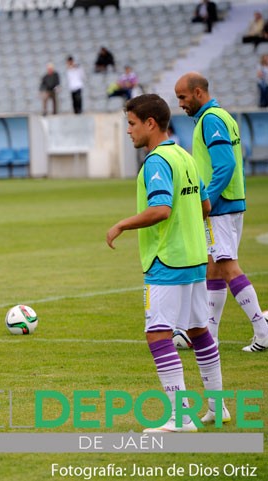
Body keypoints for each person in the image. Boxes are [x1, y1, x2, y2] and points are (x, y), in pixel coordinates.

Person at [106, 93, 227, 432]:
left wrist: (121, 225)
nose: (128, 131)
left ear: (150, 123)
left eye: (131, 124)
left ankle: (179, 417)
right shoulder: (184, 156)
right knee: (199, 331)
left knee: (157, 335)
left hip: (167, 260)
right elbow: (205, 205)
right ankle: (217, 408)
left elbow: (161, 209)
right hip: (193, 258)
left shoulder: (157, 161)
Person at [174, 72, 268, 352]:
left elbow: (225, 165)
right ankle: (210, 337)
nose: (179, 103)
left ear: (198, 92)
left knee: (226, 266)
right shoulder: (223, 116)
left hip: (220, 206)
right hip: (232, 202)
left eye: (182, 96)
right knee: (213, 270)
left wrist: (208, 202)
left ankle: (263, 331)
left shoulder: (210, 119)